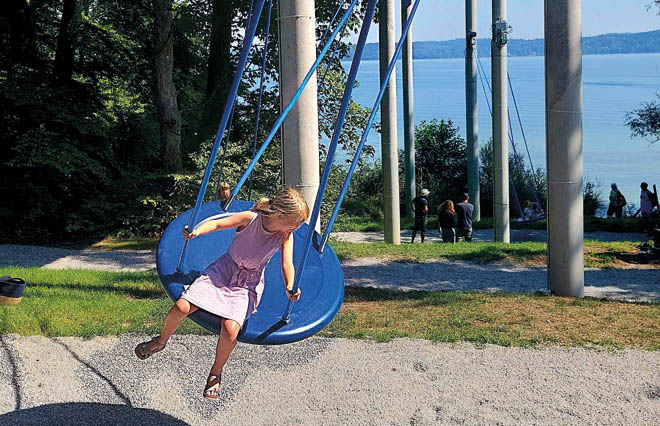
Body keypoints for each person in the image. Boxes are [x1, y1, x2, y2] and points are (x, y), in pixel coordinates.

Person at [134, 187, 307, 399]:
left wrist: (290, 285)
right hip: (223, 270)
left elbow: (287, 263)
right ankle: (160, 341)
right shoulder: (250, 218)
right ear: (280, 216)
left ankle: (216, 372)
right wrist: (197, 231)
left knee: (231, 328)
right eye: (297, 222)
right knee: (182, 305)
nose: (299, 227)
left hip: (247, 283)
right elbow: (217, 223)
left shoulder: (285, 235)